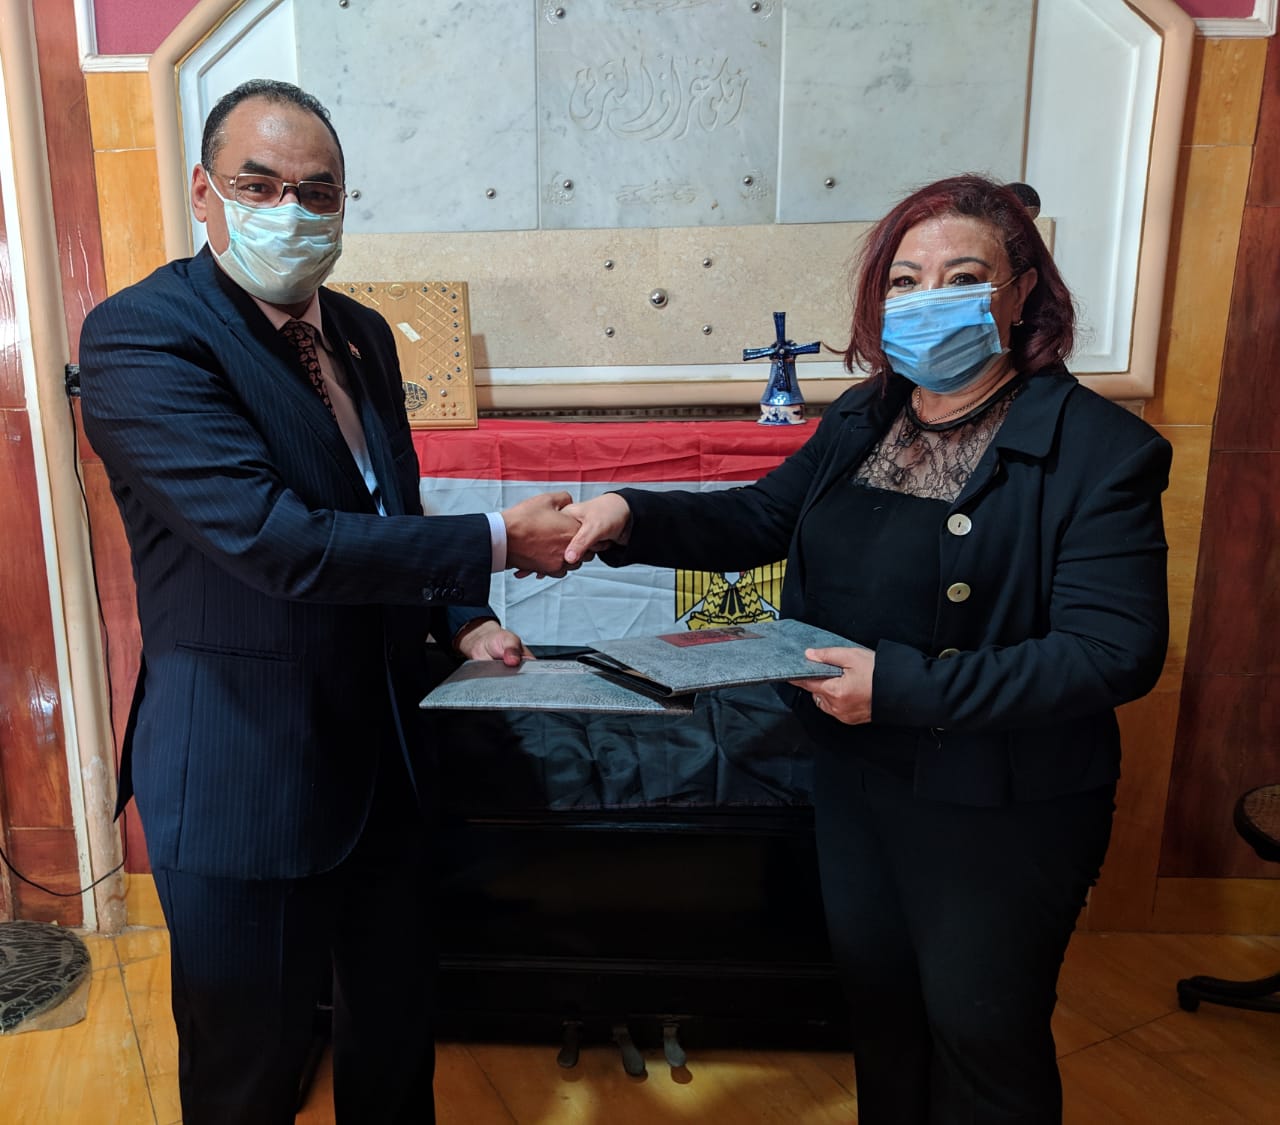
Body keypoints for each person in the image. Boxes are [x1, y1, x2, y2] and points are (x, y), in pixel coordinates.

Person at [563, 174, 1170, 1124]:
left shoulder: (1100, 448)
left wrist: (905, 687)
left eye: (963, 276)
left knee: (982, 1034)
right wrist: (628, 512)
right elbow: (761, 517)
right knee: (882, 1018)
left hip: (1001, 801)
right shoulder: (866, 414)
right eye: (906, 279)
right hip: (855, 777)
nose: (930, 298)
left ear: (1020, 295)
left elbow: (1114, 650)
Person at [78, 80, 577, 1125]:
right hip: (245, 769)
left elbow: (386, 501)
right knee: (248, 1072)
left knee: (394, 1046)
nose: (291, 212)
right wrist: (497, 540)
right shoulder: (142, 336)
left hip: (386, 753)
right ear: (204, 193)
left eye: (318, 192)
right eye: (260, 186)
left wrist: (463, 616)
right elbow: (277, 541)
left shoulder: (360, 331)